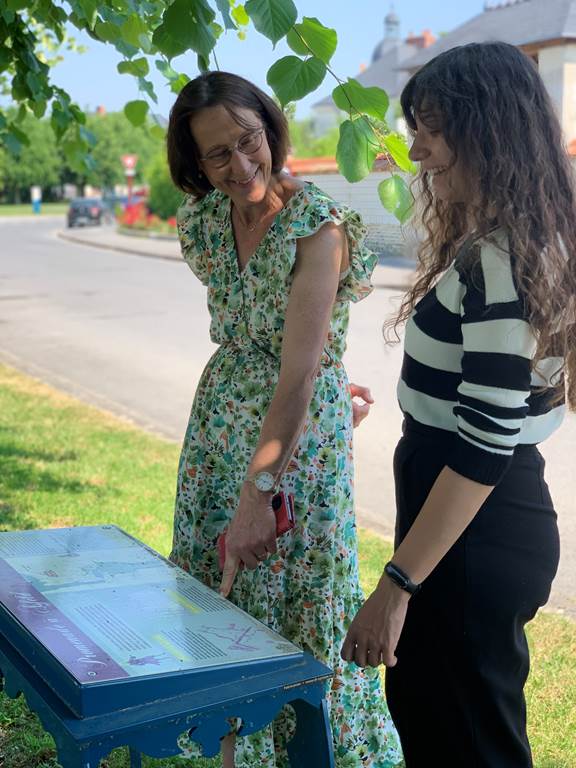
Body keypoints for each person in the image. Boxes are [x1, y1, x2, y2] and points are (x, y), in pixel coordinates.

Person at [342, 41, 576, 767]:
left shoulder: (499, 260)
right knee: (446, 725)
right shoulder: (521, 243)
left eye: (433, 127)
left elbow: (482, 446)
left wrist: (397, 586)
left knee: (467, 742)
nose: (416, 149)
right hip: (477, 523)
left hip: (476, 526)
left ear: (490, 129)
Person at [166, 71, 402, 768]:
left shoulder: (317, 226)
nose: (241, 166)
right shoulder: (205, 221)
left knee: (296, 602)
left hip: (289, 451)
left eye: (249, 141)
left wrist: (257, 497)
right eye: (217, 155)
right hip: (217, 433)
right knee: (216, 594)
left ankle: (310, 754)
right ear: (195, 163)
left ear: (270, 129)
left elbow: (297, 372)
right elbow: (263, 335)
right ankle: (231, 754)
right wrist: (317, 369)